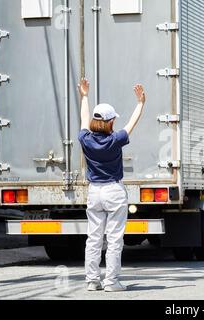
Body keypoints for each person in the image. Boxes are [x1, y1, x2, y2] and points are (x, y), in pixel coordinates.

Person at [78, 78, 146, 292]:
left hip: (94, 191)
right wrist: (140, 103)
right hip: (114, 191)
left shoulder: (85, 139)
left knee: (93, 237)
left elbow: (83, 118)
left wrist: (85, 96)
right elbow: (132, 123)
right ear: (109, 122)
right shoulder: (115, 139)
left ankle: (91, 281)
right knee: (114, 238)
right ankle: (111, 282)